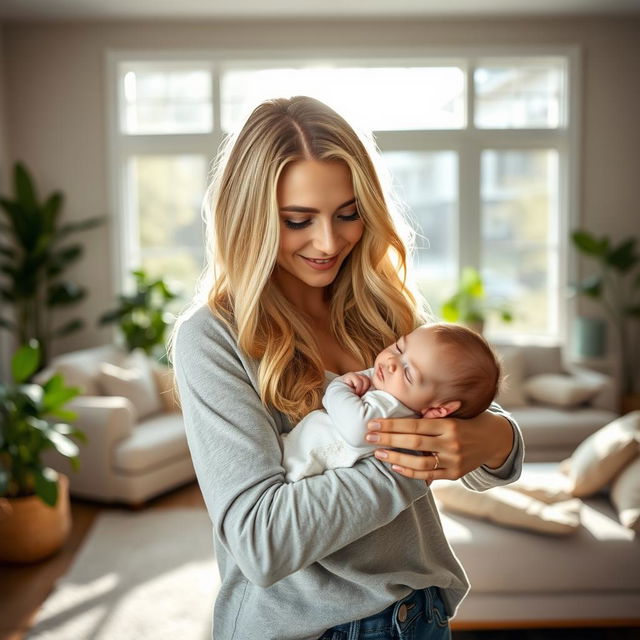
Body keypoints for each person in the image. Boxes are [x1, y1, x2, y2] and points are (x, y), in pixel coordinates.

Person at [170, 95, 524, 640]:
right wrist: (408, 461)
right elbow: (263, 541)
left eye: (348, 213)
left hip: (420, 614)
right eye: (297, 220)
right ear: (250, 218)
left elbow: (476, 443)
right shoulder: (213, 338)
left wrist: (496, 434)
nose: (329, 242)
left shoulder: (381, 308)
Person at [282, 322, 501, 483]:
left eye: (408, 374)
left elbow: (359, 430)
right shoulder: (399, 394)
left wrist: (339, 386)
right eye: (398, 348)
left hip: (302, 471)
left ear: (438, 409)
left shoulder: (390, 406)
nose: (392, 362)